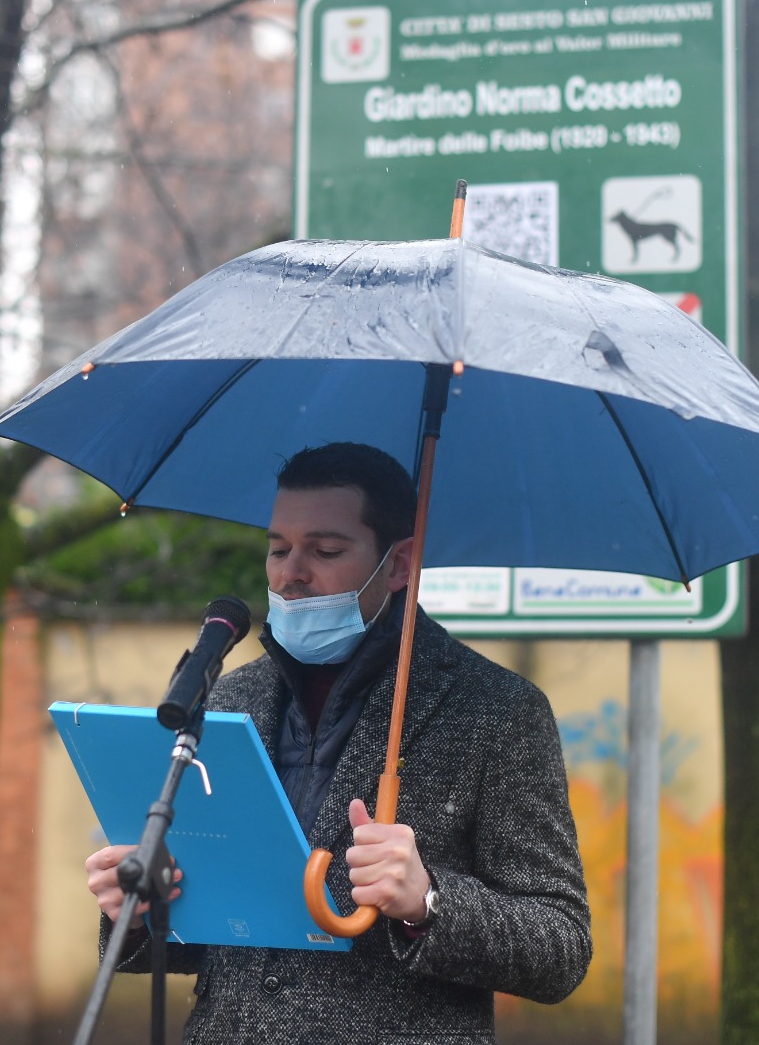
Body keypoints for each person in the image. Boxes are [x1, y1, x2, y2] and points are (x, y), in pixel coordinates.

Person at [85, 443, 591, 1043]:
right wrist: (141, 909)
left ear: (400, 564)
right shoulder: (227, 699)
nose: (290, 574)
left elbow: (561, 945)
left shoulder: (498, 710)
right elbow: (219, 938)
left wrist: (429, 900)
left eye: (325, 551)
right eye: (278, 549)